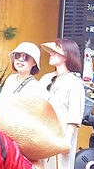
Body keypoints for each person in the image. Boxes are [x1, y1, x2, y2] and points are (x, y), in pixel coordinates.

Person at [0, 53, 37, 169]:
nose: (20, 60)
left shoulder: (35, 86)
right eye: (18, 56)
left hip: (22, 133)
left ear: (34, 62)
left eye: (26, 57)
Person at [39, 39, 85, 169]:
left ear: (66, 56)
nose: (51, 54)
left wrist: (66, 141)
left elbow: (74, 117)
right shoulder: (45, 78)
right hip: (42, 135)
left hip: (60, 137)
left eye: (55, 52)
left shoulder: (75, 83)